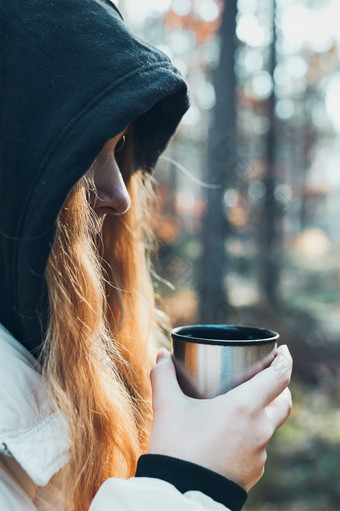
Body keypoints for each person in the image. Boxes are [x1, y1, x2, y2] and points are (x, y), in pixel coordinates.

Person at [0, 1, 293, 510]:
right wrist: (189, 483)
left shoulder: (50, 366)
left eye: (119, 150)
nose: (121, 195)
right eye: (86, 151)